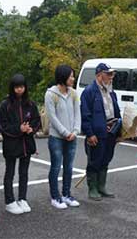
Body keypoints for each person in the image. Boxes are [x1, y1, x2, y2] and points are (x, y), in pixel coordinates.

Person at [0, 74, 41, 215]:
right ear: (12, 88)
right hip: (12, 144)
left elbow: (36, 121)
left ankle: (22, 198)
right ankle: (9, 201)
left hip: (26, 144)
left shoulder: (30, 104)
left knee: (24, 173)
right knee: (9, 173)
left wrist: (31, 129)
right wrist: (19, 128)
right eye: (17, 87)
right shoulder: (6, 105)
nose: (19, 90)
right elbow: (3, 126)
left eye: (22, 87)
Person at [81, 63, 121, 201]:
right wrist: (90, 134)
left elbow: (116, 111)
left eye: (112, 74)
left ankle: (101, 186)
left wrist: (119, 131)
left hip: (111, 130)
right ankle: (92, 188)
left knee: (106, 159)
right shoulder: (89, 91)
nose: (111, 77)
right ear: (99, 75)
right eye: (108, 74)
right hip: (97, 132)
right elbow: (85, 115)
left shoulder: (111, 91)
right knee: (94, 160)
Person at [45, 65, 81, 209]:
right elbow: (52, 117)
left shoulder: (73, 93)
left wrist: (76, 131)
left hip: (72, 137)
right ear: (63, 77)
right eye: (71, 76)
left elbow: (78, 113)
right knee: (55, 167)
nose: (73, 79)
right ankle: (55, 197)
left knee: (69, 167)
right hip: (56, 138)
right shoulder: (50, 94)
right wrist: (66, 133)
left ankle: (66, 194)